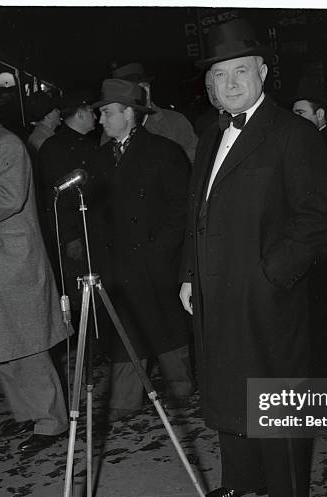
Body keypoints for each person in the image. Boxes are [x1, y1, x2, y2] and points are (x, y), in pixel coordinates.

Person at [179, 18, 327, 497]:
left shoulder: (292, 134)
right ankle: (242, 476)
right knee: (229, 383)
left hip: (266, 293)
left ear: (263, 72)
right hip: (214, 289)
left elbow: (317, 217)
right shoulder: (208, 137)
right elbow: (196, 214)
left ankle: (287, 495)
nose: (229, 84)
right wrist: (188, 275)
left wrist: (273, 275)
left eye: (239, 72)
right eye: (220, 75)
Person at [93, 78, 193, 419]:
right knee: (124, 328)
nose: (101, 120)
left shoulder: (164, 152)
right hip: (117, 262)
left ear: (129, 113)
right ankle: (125, 400)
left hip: (155, 260)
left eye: (107, 113)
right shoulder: (101, 157)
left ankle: (181, 386)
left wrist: (160, 249)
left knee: (164, 323)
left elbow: (182, 207)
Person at [0, 79, 69, 455]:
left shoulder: (4, 144)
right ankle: (29, 413)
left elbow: (8, 198)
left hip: (11, 261)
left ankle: (52, 421)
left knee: (26, 345)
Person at [37, 90, 98, 316]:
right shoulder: (54, 148)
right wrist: (70, 237)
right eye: (91, 111)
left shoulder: (92, 145)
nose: (96, 116)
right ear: (80, 113)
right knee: (79, 293)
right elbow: (54, 198)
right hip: (74, 234)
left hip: (93, 229)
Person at [110, 62, 198, 164]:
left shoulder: (175, 122)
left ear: (146, 91)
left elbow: (197, 162)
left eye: (131, 93)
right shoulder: (111, 129)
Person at [26, 91, 61, 157]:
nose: (59, 111)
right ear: (48, 116)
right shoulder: (43, 141)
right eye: (56, 109)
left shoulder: (41, 135)